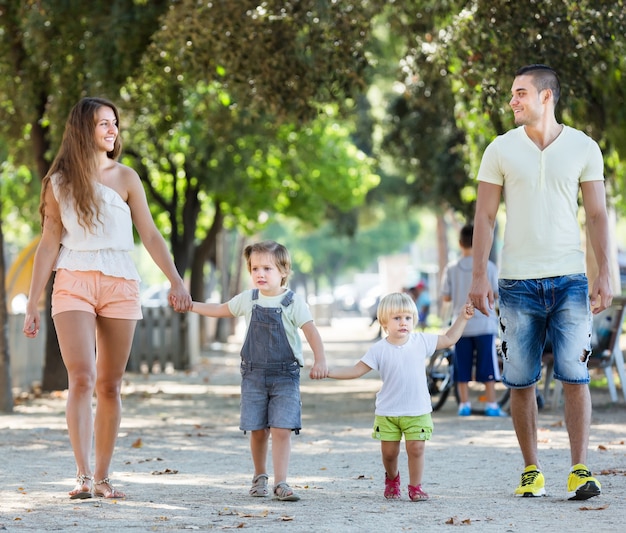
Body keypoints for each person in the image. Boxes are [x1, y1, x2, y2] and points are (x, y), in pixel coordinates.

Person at [22, 97, 192, 500]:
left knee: (110, 385)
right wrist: (32, 302)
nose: (112, 129)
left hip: (121, 283)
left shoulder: (127, 177)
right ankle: (81, 476)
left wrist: (175, 279)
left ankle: (102, 478)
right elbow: (48, 245)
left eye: (114, 123)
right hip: (73, 281)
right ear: (84, 129)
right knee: (81, 378)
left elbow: (149, 234)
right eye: (103, 123)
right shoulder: (58, 183)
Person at [469, 65, 612, 500]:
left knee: (575, 375)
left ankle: (579, 470)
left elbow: (596, 215)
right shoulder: (499, 149)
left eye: (520, 93)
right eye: (512, 94)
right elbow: (486, 216)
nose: (512, 101)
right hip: (515, 284)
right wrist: (479, 273)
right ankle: (531, 471)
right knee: (520, 381)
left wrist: (605, 272)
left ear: (546, 96)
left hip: (570, 279)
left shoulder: (584, 147)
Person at [188, 240, 328, 502]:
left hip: (285, 376)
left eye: (267, 268)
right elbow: (220, 310)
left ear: (284, 271)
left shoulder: (292, 302)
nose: (260, 274)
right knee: (257, 429)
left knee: (282, 428)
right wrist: (191, 305)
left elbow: (311, 331)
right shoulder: (248, 299)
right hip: (253, 375)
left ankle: (282, 482)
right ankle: (260, 476)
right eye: (254, 269)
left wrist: (320, 360)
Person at [327, 292, 474, 501]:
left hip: (418, 410)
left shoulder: (421, 341)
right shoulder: (378, 349)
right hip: (388, 411)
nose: (403, 323)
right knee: (389, 454)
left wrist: (463, 318)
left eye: (408, 318)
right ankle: (392, 477)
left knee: (416, 448)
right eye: (397, 318)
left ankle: (415, 487)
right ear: (384, 322)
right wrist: (328, 372)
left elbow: (450, 338)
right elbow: (356, 370)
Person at [441, 223, 506, 417]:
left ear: (460, 243)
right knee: (488, 364)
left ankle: (464, 404)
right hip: (484, 323)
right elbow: (495, 294)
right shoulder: (490, 267)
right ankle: (491, 404)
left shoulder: (452, 268)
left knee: (462, 364)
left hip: (461, 326)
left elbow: (446, 297)